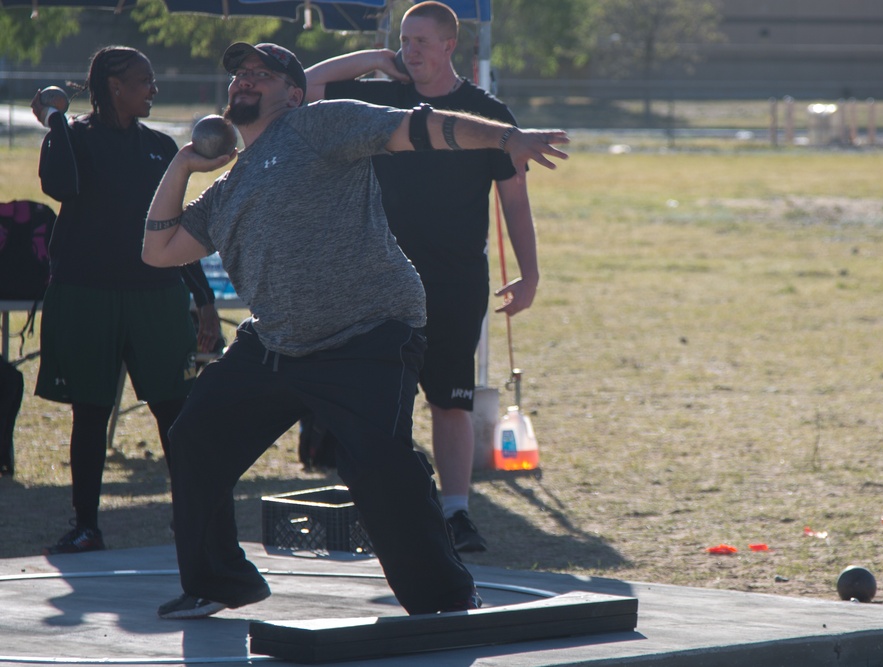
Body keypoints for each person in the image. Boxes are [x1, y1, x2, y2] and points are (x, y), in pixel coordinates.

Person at [142, 41, 567, 619]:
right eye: (240, 75)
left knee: (377, 462)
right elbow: (159, 249)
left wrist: (503, 137)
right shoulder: (228, 187)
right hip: (276, 343)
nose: (245, 81)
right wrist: (184, 163)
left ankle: (444, 599)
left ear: (292, 93)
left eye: (261, 75)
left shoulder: (318, 124)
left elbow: (421, 128)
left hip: (367, 333)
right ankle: (219, 581)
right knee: (194, 438)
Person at [304, 1, 537, 552]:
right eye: (405, 41)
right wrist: (375, 59)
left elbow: (516, 200)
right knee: (380, 398)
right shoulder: (380, 99)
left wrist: (529, 274)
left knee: (450, 400)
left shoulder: (486, 113)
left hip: (456, 279)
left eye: (421, 42)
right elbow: (309, 85)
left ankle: (455, 514)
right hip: (378, 276)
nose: (411, 51)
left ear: (451, 46)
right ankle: (382, 507)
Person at [30, 46, 222, 556]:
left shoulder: (161, 147)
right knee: (90, 412)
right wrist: (58, 124)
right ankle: (87, 526)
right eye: (145, 80)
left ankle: (193, 522)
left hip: (155, 297)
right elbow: (62, 185)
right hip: (85, 293)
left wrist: (203, 301)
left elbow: (175, 229)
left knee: (175, 413)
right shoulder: (72, 139)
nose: (154, 89)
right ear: (115, 85)